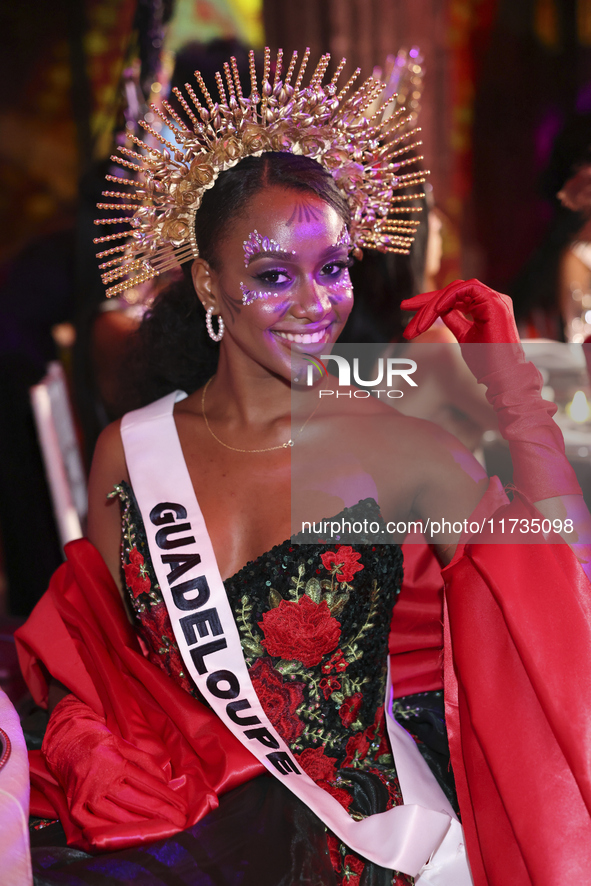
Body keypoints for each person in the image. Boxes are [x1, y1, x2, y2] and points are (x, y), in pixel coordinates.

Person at [16, 49, 591, 885]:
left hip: (370, 844)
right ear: (209, 287)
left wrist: (512, 387)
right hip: (193, 835)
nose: (317, 305)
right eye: (272, 276)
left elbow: (555, 569)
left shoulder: (394, 450)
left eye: (332, 269)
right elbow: (109, 666)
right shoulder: (130, 453)